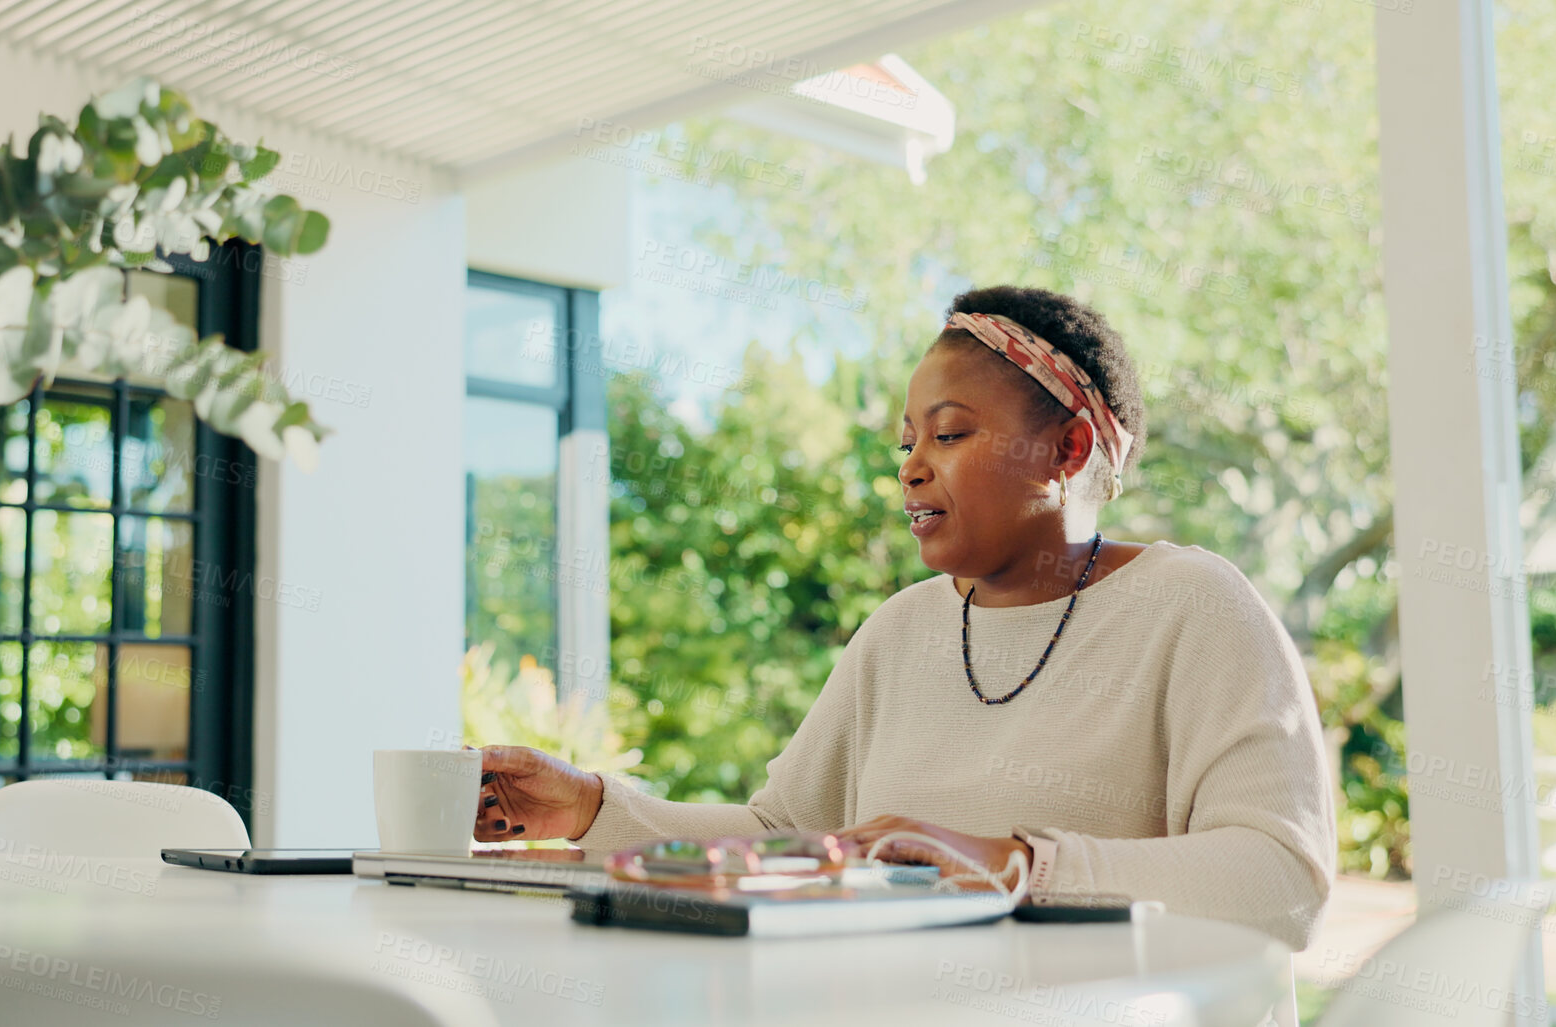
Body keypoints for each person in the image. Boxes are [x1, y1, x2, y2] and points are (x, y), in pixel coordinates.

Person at [473, 285, 1335, 950]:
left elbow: (1280, 879)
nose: (912, 468)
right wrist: (589, 808)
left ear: (1067, 449)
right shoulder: (900, 629)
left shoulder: (1192, 604)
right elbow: (786, 834)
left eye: (949, 435)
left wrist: (1013, 864)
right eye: (905, 442)